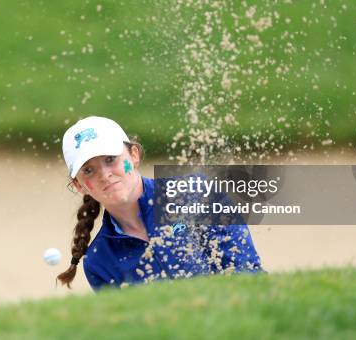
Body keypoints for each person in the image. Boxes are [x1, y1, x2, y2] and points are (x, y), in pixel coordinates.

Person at [56, 116, 263, 291]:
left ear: (134, 155)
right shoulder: (99, 260)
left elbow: (247, 277)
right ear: (79, 185)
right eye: (89, 170)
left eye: (110, 159)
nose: (105, 174)